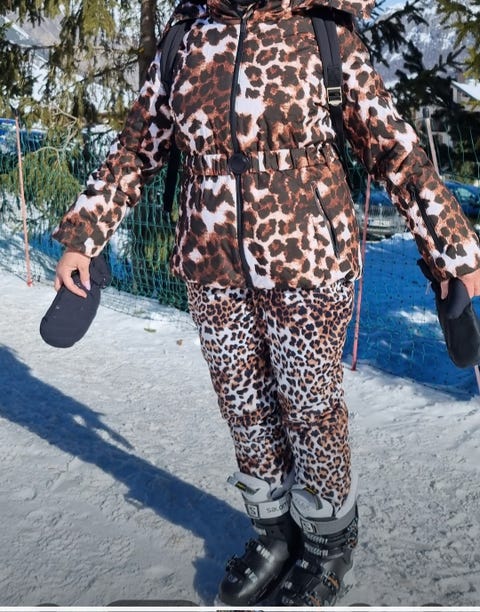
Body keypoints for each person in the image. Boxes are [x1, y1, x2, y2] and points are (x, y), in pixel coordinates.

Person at [52, 0, 480, 605]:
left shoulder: (322, 33)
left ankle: (328, 542)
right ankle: (273, 532)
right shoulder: (186, 38)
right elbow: (136, 149)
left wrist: (454, 249)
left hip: (309, 260)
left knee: (310, 407)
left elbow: (395, 149)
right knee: (243, 405)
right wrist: (84, 235)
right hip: (212, 264)